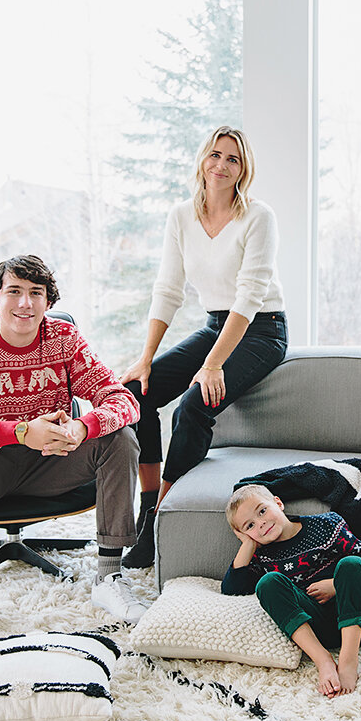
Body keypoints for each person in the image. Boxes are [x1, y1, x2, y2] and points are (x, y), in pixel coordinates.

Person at [0, 255, 145, 646]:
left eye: (36, 294)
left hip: (54, 463)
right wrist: (22, 432)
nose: (25, 304)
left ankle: (109, 576)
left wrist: (83, 425)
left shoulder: (64, 339)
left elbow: (122, 400)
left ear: (48, 302)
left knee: (120, 436)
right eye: (14, 292)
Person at [119, 125, 288, 568]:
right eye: (216, 155)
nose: (222, 165)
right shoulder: (181, 216)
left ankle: (162, 520)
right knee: (137, 395)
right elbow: (168, 289)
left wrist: (212, 365)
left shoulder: (258, 216)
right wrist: (145, 359)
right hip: (217, 323)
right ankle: (148, 505)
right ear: (202, 161)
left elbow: (250, 296)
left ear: (243, 168)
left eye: (233, 159)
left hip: (261, 328)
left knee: (193, 406)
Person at [221, 484, 361, 698]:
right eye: (250, 526)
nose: (261, 523)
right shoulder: (262, 557)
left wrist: (334, 585)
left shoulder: (327, 524)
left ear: (278, 503)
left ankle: (348, 659)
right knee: (268, 583)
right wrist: (248, 545)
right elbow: (232, 589)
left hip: (358, 618)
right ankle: (323, 660)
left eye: (262, 511)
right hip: (315, 626)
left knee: (353, 563)